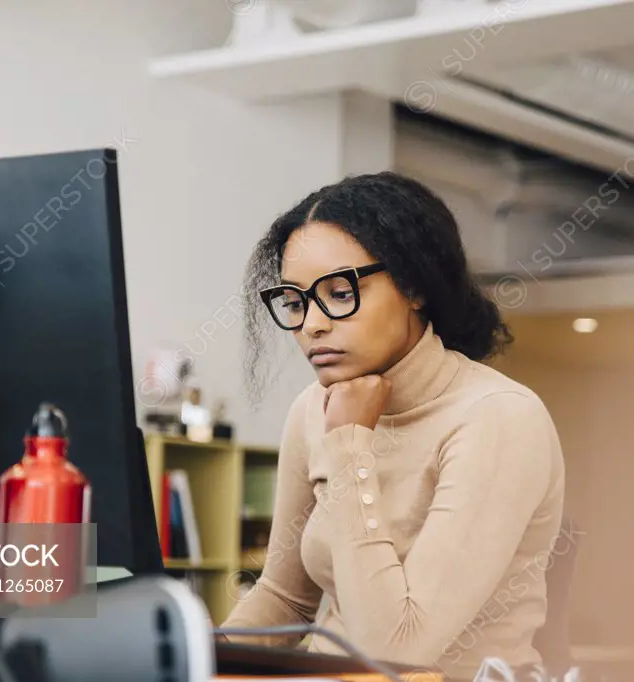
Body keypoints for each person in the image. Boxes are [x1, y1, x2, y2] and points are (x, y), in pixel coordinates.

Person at [222, 172, 566, 681]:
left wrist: (349, 448)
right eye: (295, 303)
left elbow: (396, 649)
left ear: (414, 286)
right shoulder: (311, 409)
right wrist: (183, 656)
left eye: (339, 293)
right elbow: (286, 599)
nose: (311, 324)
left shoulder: (498, 417)